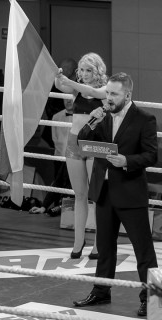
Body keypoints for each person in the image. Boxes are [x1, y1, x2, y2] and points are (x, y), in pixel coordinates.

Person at [73, 72, 158, 317]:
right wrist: (91, 122)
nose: (108, 98)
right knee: (105, 248)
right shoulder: (102, 116)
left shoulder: (144, 119)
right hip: (104, 191)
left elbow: (151, 155)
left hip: (131, 193)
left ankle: (150, 298)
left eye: (114, 94)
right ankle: (100, 292)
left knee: (143, 251)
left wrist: (126, 160)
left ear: (127, 94)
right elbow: (82, 144)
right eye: (107, 93)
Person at [55, 52, 106, 259]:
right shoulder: (76, 87)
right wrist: (58, 75)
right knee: (80, 194)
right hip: (74, 142)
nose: (84, 74)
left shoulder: (106, 88)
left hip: (95, 143)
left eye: (88, 70)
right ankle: (78, 241)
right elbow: (60, 86)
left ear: (97, 71)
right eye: (82, 70)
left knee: (97, 195)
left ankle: (98, 243)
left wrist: (70, 83)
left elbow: (93, 91)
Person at [29, 99, 73, 217]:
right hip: (64, 156)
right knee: (61, 180)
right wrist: (44, 206)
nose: (68, 100)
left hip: (83, 203)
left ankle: (62, 206)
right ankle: (59, 206)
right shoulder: (57, 116)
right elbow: (57, 183)